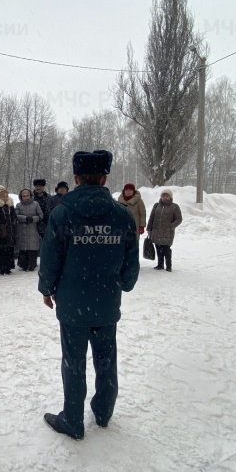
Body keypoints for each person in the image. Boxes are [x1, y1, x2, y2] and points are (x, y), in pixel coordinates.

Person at [38, 150, 139, 440]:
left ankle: (73, 419)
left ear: (76, 178)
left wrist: (47, 289)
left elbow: (51, 257)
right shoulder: (121, 215)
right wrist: (124, 283)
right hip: (106, 301)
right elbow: (131, 259)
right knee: (106, 359)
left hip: (72, 304)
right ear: (105, 177)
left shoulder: (63, 213)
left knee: (73, 361)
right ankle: (104, 411)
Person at [147, 188, 183, 272]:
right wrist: (149, 228)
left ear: (170, 197)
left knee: (166, 249)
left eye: (167, 196)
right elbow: (151, 217)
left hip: (167, 232)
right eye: (163, 196)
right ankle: (160, 265)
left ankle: (168, 266)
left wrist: (171, 226)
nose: (165, 197)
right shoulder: (156, 205)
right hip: (156, 231)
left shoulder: (174, 207)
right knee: (158, 248)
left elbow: (179, 219)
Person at [15, 188, 44, 271]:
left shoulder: (36, 204)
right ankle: (23, 264)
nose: (26, 197)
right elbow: (16, 216)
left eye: (27, 195)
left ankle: (32, 264)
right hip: (22, 230)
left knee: (32, 248)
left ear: (30, 195)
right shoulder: (18, 205)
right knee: (23, 248)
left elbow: (41, 215)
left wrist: (33, 219)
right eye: (24, 196)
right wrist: (25, 218)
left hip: (33, 229)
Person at [0, 186, 17, 275]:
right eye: (3, 196)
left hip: (10, 231)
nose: (5, 198)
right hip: (1, 231)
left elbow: (14, 216)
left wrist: (13, 222)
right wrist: (0, 223)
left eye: (7, 196)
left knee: (9, 249)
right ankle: (1, 267)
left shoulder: (10, 206)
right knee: (1, 249)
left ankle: (8, 266)